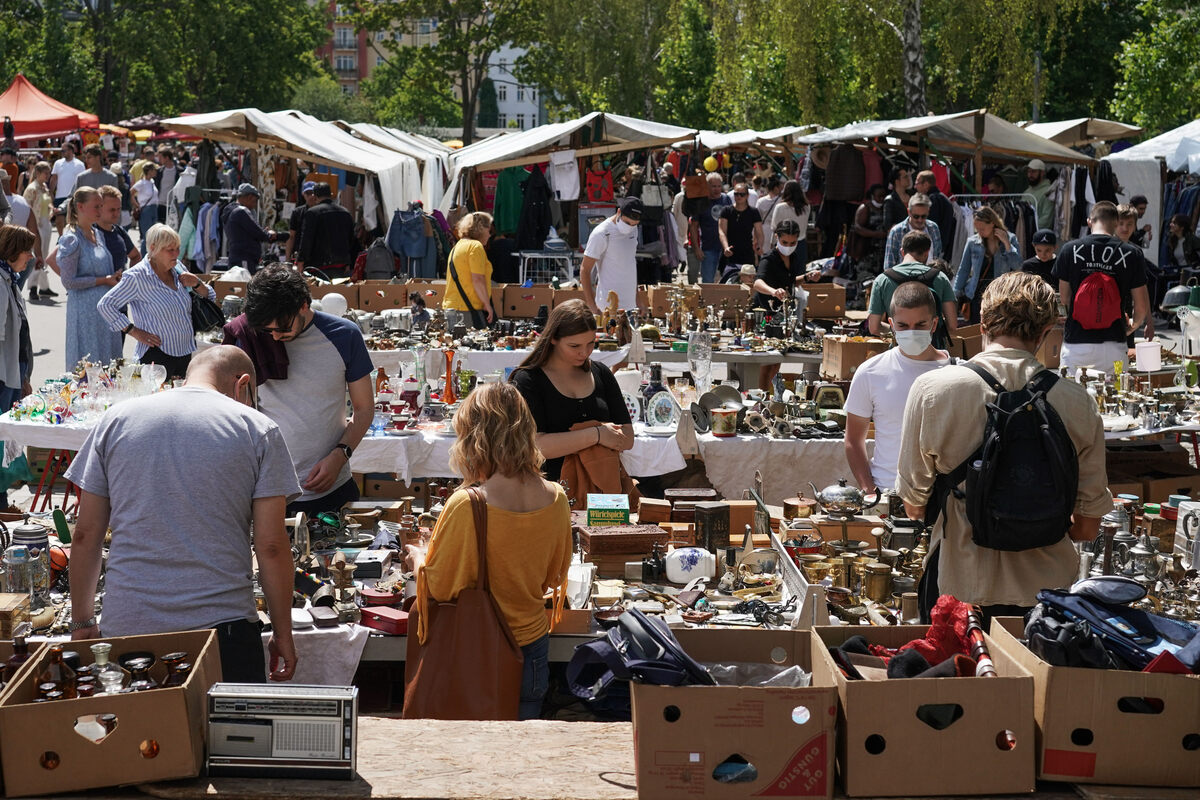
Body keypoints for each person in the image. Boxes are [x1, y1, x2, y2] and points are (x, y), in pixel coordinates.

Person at [66, 345, 301, 683]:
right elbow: (271, 546)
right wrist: (283, 633)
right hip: (223, 629)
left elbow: (85, 534)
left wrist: (82, 621)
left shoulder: (116, 420)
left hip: (129, 625)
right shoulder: (257, 428)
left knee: (136, 719)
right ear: (243, 384)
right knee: (227, 721)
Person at [897, 271, 1112, 619]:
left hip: (961, 589)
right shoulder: (1079, 402)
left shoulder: (933, 390)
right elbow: (1087, 527)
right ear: (1045, 331)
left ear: (982, 324)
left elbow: (913, 506)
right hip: (1046, 599)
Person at [405, 382, 571, 720]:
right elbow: (553, 576)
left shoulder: (467, 504)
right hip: (533, 644)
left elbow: (439, 587)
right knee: (523, 746)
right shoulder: (556, 497)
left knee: (472, 748)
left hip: (477, 650)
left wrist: (418, 559)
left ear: (474, 438)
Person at [235, 265, 374, 515]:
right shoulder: (250, 336)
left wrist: (340, 456)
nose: (275, 337)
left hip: (331, 486)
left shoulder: (344, 335)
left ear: (303, 305)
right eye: (268, 330)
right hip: (268, 490)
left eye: (282, 328)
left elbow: (364, 409)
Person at [509, 300, 633, 483]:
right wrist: (597, 434)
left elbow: (628, 438)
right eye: (574, 346)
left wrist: (587, 437)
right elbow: (534, 446)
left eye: (590, 343)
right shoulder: (528, 380)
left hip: (601, 491)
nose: (585, 352)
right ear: (553, 338)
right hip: (547, 491)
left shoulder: (601, 373)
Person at [846, 280, 951, 494]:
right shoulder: (870, 372)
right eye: (903, 326)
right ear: (891, 325)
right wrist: (870, 491)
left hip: (943, 498)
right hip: (887, 492)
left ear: (934, 324)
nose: (911, 332)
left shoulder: (957, 371)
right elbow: (853, 441)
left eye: (920, 325)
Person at [97, 224, 215, 379]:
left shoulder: (178, 268)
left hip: (185, 352)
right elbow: (105, 305)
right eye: (170, 249)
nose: (176, 253)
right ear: (153, 248)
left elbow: (210, 297)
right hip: (155, 355)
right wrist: (133, 331)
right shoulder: (136, 277)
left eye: (177, 248)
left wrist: (197, 283)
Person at [1054, 201, 1148, 373]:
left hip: (1076, 343)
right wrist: (1132, 326)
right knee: (1116, 389)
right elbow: (1141, 306)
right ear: (1116, 223)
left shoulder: (1069, 250)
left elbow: (1065, 299)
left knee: (1072, 389)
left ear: (1089, 221)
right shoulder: (1132, 253)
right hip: (1114, 344)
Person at [53, 187, 122, 369]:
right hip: (85, 315)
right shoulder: (71, 238)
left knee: (109, 365)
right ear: (80, 207)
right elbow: (68, 281)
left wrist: (114, 276)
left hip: (105, 312)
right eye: (96, 206)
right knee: (88, 367)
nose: (100, 210)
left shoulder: (97, 233)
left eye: (101, 205)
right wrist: (103, 280)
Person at [868, 230, 958, 344]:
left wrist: (900, 330)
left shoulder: (882, 280)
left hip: (899, 349)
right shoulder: (940, 277)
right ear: (927, 253)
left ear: (902, 252)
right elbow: (952, 325)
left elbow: (874, 327)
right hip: (933, 349)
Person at [752, 219, 805, 388]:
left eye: (792, 243)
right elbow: (757, 283)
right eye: (785, 242)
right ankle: (762, 395)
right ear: (777, 237)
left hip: (782, 316)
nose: (788, 246)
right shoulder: (769, 259)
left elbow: (789, 281)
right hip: (766, 316)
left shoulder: (794, 258)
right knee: (766, 362)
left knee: (776, 362)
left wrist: (806, 277)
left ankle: (770, 394)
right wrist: (773, 291)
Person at [953, 206, 1022, 325]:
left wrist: (1007, 244)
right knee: (976, 330)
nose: (979, 232)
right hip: (976, 295)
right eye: (977, 229)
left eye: (982, 228)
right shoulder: (972, 242)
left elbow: (1018, 266)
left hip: (1000, 295)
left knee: (996, 329)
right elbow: (964, 269)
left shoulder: (1010, 239)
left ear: (992, 223)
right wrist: (955, 294)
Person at [581, 197, 641, 313]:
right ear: (618, 212)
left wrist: (638, 300)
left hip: (631, 307)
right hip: (607, 308)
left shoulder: (634, 230)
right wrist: (592, 306)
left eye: (634, 224)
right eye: (627, 223)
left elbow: (630, 264)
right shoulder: (601, 233)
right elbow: (585, 270)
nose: (629, 227)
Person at [444, 211, 498, 329]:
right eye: (489, 230)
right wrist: (487, 304)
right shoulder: (475, 246)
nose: (490, 235)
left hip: (451, 308)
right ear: (481, 229)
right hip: (467, 311)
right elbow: (478, 279)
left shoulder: (458, 246)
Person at [0, 224, 34, 412]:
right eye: (27, 251)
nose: (31, 256)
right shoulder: (1, 282)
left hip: (15, 369)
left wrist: (24, 377)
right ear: (12, 251)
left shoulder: (10, 279)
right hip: (4, 374)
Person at [295, 183, 357, 278]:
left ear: (315, 196)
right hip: (341, 265)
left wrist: (300, 262)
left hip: (318, 266)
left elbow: (306, 240)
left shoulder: (312, 213)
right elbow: (351, 239)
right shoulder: (345, 212)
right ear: (331, 194)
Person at [225, 183, 282, 273]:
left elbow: (248, 231)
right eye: (255, 201)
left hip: (237, 257)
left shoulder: (230, 210)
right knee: (245, 281)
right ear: (249, 197)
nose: (254, 205)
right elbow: (258, 233)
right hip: (244, 259)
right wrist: (269, 234)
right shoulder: (241, 211)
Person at [20, 162, 55, 301]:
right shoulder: (32, 188)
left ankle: (44, 287)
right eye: (46, 173)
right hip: (36, 225)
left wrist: (52, 210)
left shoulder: (44, 187)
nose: (48, 175)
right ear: (38, 173)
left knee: (43, 256)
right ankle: (33, 288)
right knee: (37, 256)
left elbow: (48, 203)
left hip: (46, 223)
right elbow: (26, 208)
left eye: (49, 173)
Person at [689, 173, 732, 283]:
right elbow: (693, 226)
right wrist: (696, 248)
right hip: (708, 248)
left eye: (719, 186)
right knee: (708, 281)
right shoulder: (701, 202)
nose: (716, 189)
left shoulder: (726, 199)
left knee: (727, 281)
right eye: (713, 186)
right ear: (707, 186)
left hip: (726, 248)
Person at [883, 193, 942, 269]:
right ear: (909, 212)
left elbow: (937, 257)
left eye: (923, 216)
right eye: (916, 216)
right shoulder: (896, 232)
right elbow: (889, 266)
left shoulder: (933, 228)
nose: (920, 220)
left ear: (928, 212)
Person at [718, 182, 764, 270]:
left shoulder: (753, 212)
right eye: (736, 194)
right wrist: (726, 247)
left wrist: (760, 246)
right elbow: (722, 232)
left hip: (747, 253)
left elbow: (759, 233)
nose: (739, 196)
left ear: (747, 195)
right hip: (730, 252)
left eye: (742, 194)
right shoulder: (726, 211)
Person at [96, 185, 140, 273]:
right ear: (99, 208)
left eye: (119, 209)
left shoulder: (119, 231)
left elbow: (136, 256)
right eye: (112, 210)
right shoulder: (88, 232)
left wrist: (129, 277)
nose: (116, 214)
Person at [849, 183, 888, 280]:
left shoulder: (886, 208)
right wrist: (877, 234)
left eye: (883, 196)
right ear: (872, 196)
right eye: (879, 196)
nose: (882, 199)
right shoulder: (865, 208)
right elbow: (857, 228)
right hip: (867, 252)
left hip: (882, 252)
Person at [764, 179, 809, 260]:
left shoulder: (780, 207)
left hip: (783, 244)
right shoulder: (807, 207)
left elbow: (774, 228)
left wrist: (772, 243)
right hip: (800, 243)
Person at [913, 170, 957, 250]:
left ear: (926, 185)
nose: (915, 187)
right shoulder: (942, 198)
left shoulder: (933, 200)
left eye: (917, 183)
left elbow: (930, 227)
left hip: (934, 248)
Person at [285, 181, 317, 261]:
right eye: (308, 193)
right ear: (303, 194)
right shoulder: (297, 212)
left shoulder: (322, 212)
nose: (311, 196)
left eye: (313, 193)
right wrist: (287, 259)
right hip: (299, 254)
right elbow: (291, 236)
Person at [50, 142, 86, 211]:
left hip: (74, 197)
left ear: (70, 151)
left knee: (73, 217)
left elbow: (82, 181)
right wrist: (51, 193)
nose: (62, 153)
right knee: (59, 217)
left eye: (63, 151)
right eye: (61, 151)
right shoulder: (57, 163)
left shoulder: (80, 164)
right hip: (59, 197)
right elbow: (54, 179)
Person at [130, 162, 159, 243]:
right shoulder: (141, 183)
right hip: (146, 209)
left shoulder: (152, 182)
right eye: (154, 170)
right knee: (147, 235)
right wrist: (137, 205)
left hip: (154, 209)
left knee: (153, 235)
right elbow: (131, 193)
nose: (156, 171)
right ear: (149, 171)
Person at [1025, 158, 1055, 230]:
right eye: (1028, 171)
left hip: (1039, 234)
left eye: (1033, 171)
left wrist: (1030, 230)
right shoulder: (1027, 192)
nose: (1030, 174)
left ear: (1042, 173)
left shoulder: (1048, 192)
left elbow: (1047, 219)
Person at [882, 164, 913, 231]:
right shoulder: (890, 200)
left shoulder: (912, 196)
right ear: (897, 181)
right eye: (905, 177)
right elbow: (887, 225)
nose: (908, 179)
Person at [155, 146, 178, 223]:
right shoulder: (159, 171)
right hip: (160, 204)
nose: (159, 160)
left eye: (160, 157)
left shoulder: (178, 171)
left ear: (167, 158)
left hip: (173, 204)